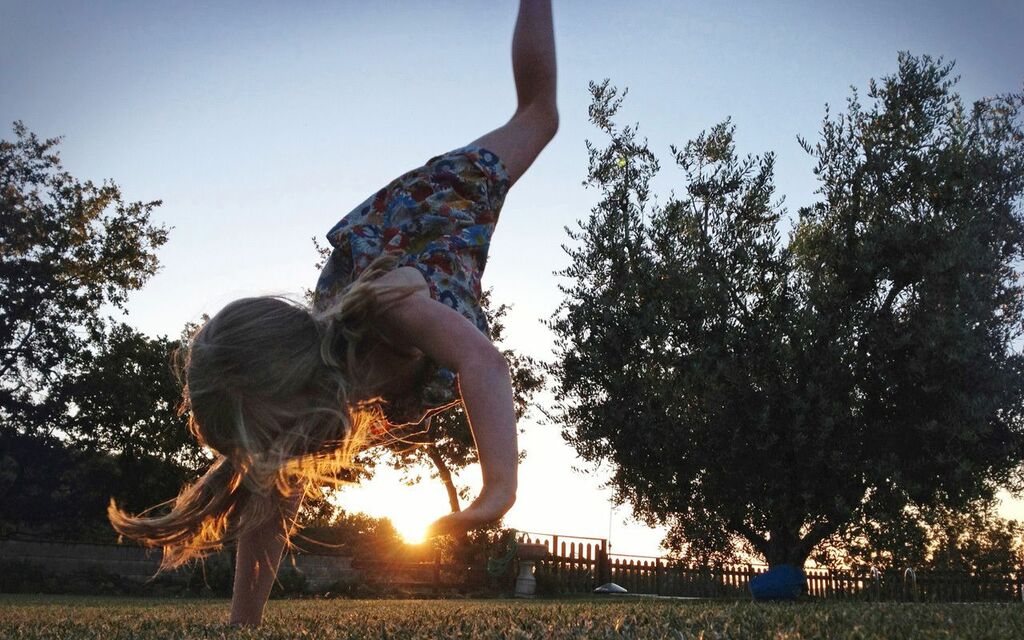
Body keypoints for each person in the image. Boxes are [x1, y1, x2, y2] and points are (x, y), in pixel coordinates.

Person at [108, 0, 557, 627]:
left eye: (275, 437)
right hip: (377, 261)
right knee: (273, 486)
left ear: (297, 379)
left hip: (432, 212)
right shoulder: (289, 413)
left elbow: (481, 359)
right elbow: (268, 513)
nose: (284, 453)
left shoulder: (390, 307)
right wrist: (243, 626)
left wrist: (498, 486)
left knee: (539, 115)